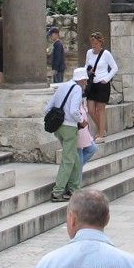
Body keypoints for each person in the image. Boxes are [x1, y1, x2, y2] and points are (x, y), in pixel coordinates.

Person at [48, 67, 89, 202]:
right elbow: (74, 110)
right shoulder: (77, 89)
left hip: (58, 127)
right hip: (70, 127)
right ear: (82, 79)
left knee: (75, 157)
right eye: (86, 81)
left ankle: (74, 189)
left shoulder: (63, 86)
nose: (86, 84)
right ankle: (58, 192)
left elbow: (48, 107)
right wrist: (81, 121)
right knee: (68, 159)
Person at [84, 32, 119, 143]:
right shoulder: (89, 53)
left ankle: (100, 134)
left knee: (100, 109)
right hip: (92, 83)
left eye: (95, 43)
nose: (93, 45)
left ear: (100, 42)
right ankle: (102, 128)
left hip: (102, 83)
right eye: (92, 43)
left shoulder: (106, 54)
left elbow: (114, 68)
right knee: (90, 110)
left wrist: (106, 79)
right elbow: (86, 65)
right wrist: (88, 71)